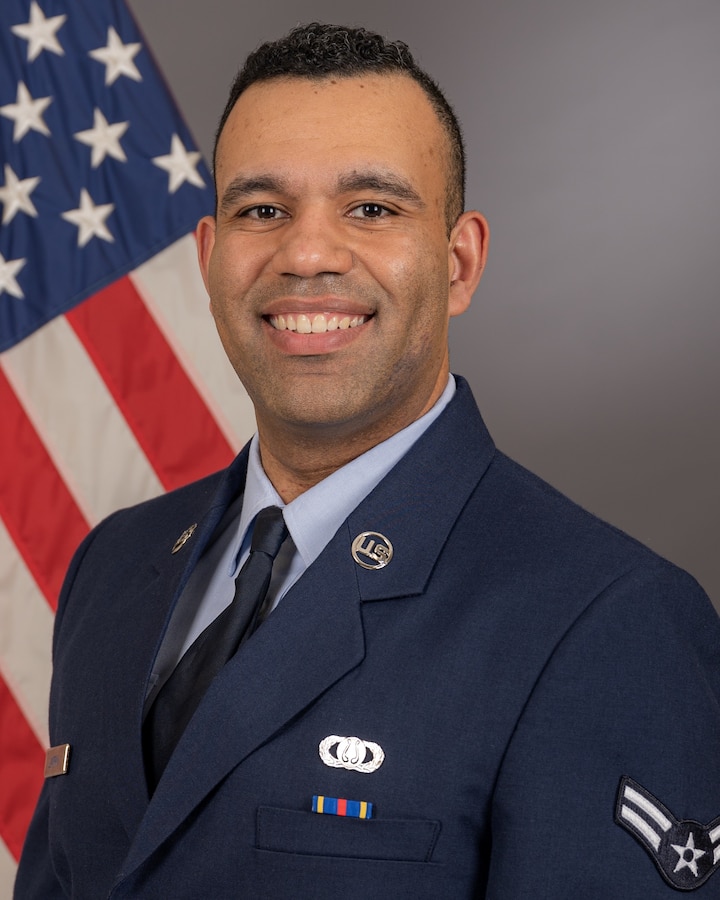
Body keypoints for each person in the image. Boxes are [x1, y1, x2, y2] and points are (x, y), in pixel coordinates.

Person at [15, 23, 720, 899]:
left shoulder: (605, 623)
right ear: (207, 258)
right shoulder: (113, 566)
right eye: (261, 210)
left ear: (458, 264)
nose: (307, 254)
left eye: (373, 208)